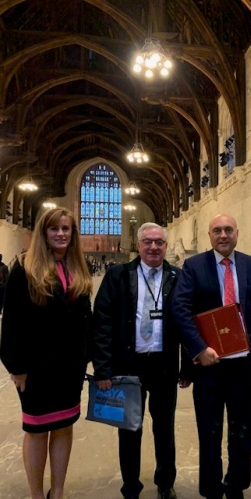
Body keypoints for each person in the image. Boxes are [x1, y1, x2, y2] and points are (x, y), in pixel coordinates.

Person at [171, 213, 251, 499]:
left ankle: (236, 484)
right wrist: (199, 349)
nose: (223, 235)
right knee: (210, 431)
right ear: (209, 235)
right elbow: (180, 310)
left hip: (243, 364)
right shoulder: (193, 266)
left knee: (242, 431)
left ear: (237, 233)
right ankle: (212, 488)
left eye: (228, 230)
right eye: (217, 230)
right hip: (209, 365)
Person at [92, 222, 191, 499]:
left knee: (164, 428)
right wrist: (103, 368)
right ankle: (131, 486)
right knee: (129, 429)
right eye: (148, 241)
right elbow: (102, 323)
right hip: (128, 364)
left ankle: (165, 483)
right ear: (138, 245)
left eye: (159, 242)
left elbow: (187, 324)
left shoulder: (178, 276)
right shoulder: (118, 275)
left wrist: (187, 367)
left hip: (163, 365)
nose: (153, 247)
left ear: (166, 246)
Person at [0, 207, 93, 499]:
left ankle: (59, 490)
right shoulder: (24, 266)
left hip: (69, 366)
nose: (61, 234)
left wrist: (88, 355)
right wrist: (17, 366)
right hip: (36, 367)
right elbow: (12, 320)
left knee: (64, 426)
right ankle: (37, 494)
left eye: (66, 229)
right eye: (54, 229)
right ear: (43, 232)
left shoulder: (78, 266)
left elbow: (84, 316)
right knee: (37, 429)